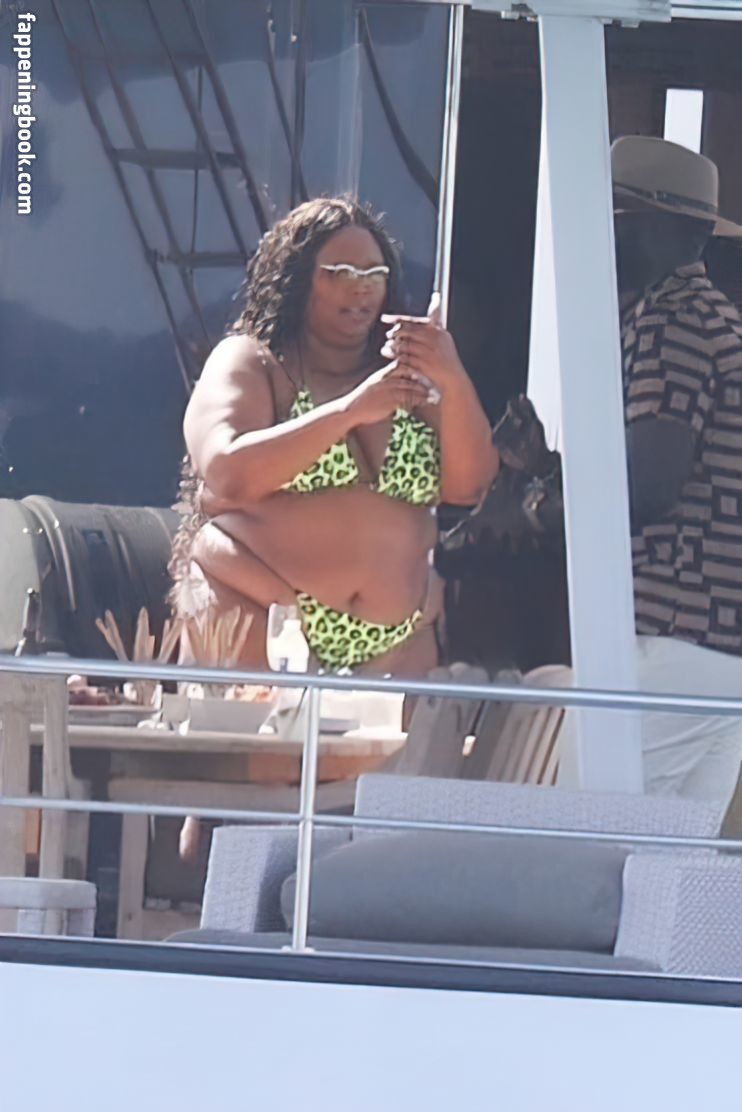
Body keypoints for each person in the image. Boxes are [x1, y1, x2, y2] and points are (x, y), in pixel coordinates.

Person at [169, 197, 497, 676]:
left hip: (398, 637)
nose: (360, 287)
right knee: (256, 729)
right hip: (259, 605)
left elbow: (470, 487)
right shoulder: (255, 362)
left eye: (374, 273)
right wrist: (350, 411)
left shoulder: (405, 374)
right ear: (296, 278)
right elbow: (227, 472)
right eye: (340, 272)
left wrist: (451, 376)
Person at [608, 135, 742, 807]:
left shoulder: (672, 318)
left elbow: (649, 487)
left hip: (671, 636)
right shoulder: (719, 318)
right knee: (675, 862)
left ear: (655, 225)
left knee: (595, 840)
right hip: (718, 649)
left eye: (614, 215)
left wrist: (543, 509)